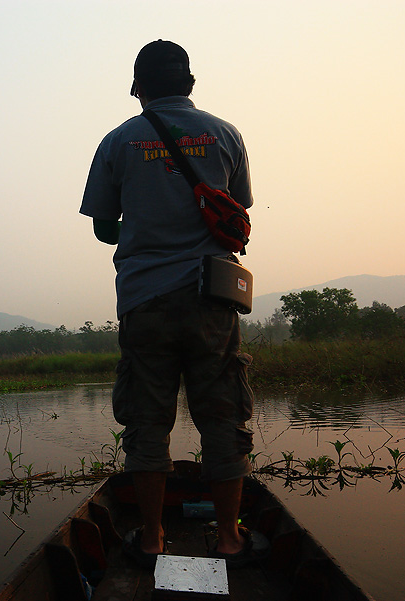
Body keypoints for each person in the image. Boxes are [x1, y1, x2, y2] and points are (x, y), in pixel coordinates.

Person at [79, 40, 263, 569]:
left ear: (138, 88)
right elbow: (238, 207)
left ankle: (154, 538)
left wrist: (140, 226)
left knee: (147, 420)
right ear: (190, 84)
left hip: (145, 300)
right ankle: (230, 538)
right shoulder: (226, 134)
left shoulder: (118, 141)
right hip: (213, 300)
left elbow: (102, 227)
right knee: (223, 416)